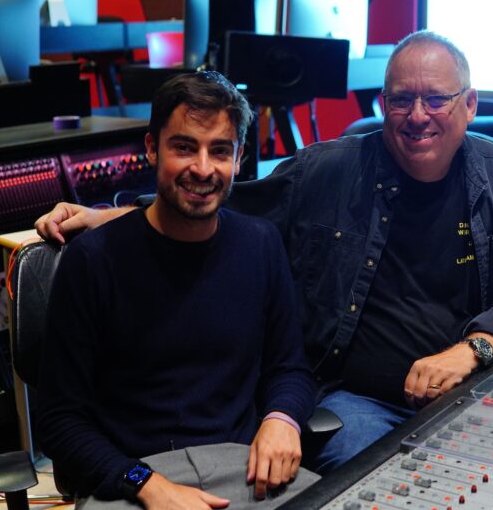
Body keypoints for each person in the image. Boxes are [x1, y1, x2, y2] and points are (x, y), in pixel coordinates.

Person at [36, 31, 493, 474]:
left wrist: (471, 351)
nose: (417, 115)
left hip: (475, 386)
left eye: (437, 99)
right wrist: (111, 217)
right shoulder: (328, 170)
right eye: (401, 99)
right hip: (358, 404)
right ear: (383, 104)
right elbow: (216, 197)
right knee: (373, 477)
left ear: (469, 105)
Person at [37, 71, 319, 509]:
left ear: (239, 158)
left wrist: (282, 419)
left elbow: (290, 368)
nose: (203, 169)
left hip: (244, 469)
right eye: (184, 147)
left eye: (219, 151)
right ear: (152, 148)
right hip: (132, 480)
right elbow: (59, 420)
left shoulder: (261, 244)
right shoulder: (92, 260)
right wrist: (146, 485)